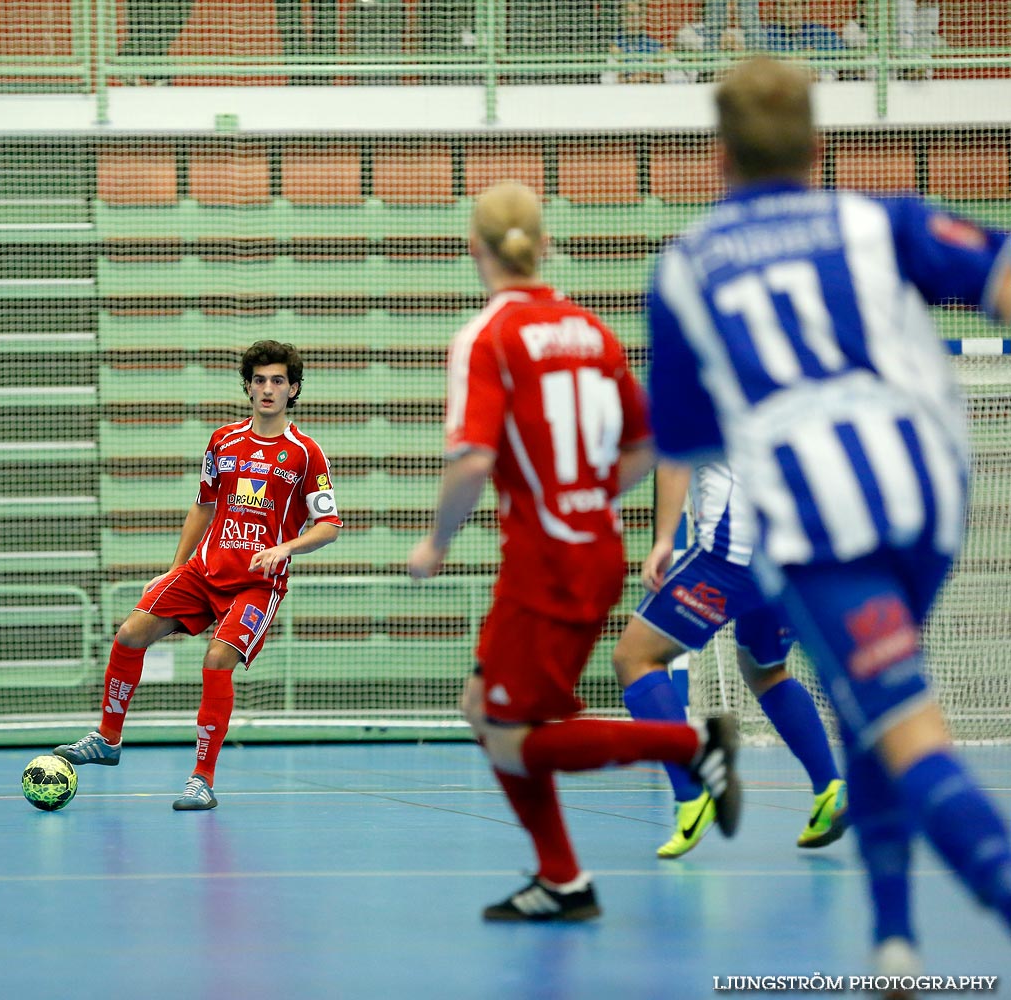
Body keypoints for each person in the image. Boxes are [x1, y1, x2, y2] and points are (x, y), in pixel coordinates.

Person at [646, 56, 1011, 975]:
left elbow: (684, 441)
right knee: (866, 702)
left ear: (717, 159)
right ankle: (894, 942)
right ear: (819, 146)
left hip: (818, 518)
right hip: (931, 493)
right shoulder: (876, 217)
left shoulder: (687, 266)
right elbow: (1001, 273)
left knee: (904, 725)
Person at [407, 180, 742, 923]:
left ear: (474, 250)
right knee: (480, 708)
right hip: (593, 547)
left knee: (510, 737)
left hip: (545, 562)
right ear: (544, 244)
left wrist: (435, 543)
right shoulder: (592, 331)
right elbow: (652, 440)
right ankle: (561, 880)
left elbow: (469, 461)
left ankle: (685, 744)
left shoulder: (487, 335)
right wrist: (589, 492)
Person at [54, 340, 342, 810]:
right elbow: (204, 505)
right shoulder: (223, 440)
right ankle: (108, 739)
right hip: (203, 571)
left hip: (255, 585)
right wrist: (172, 569)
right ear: (247, 386)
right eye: (259, 380)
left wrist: (285, 547)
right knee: (130, 633)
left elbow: (329, 525)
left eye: (278, 381)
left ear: (293, 390)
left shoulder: (306, 454)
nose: (267, 389)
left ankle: (201, 780)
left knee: (215, 661)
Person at [613, 458, 847, 858]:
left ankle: (692, 795)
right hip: (794, 552)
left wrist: (664, 540)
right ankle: (830, 789)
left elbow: (674, 458)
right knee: (764, 668)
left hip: (731, 555)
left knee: (633, 658)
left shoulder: (695, 391)